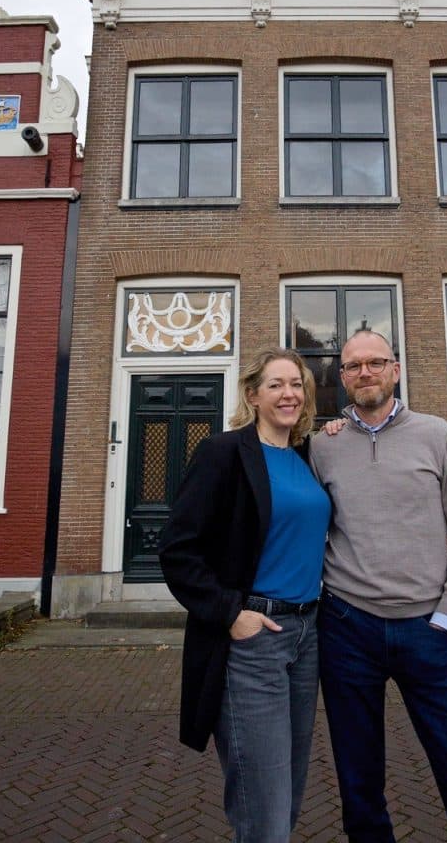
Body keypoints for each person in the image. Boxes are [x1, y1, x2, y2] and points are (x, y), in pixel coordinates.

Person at [311, 329, 447, 843]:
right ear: (342, 377)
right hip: (347, 629)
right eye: (352, 366)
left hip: (429, 631)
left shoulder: (436, 434)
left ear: (395, 370)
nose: (364, 373)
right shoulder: (321, 446)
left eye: (375, 363)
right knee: (359, 784)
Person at [158, 346, 331, 843]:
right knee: (264, 802)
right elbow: (177, 549)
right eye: (275, 384)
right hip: (254, 638)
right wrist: (231, 613)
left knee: (290, 789)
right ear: (253, 395)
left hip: (306, 637)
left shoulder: (307, 456)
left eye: (296, 384)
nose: (288, 394)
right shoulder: (224, 452)